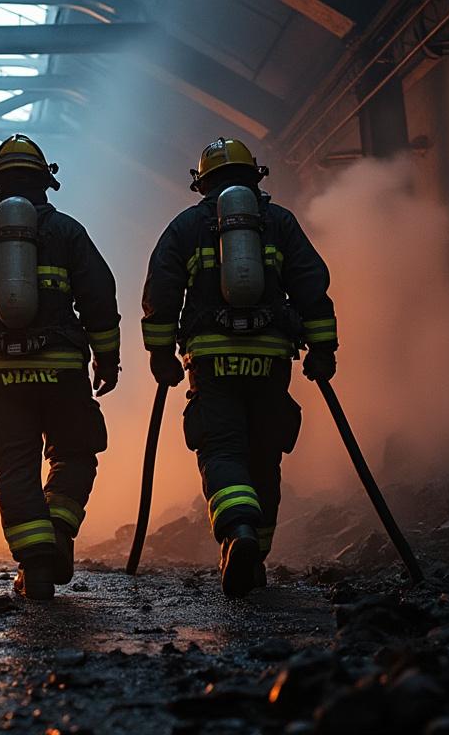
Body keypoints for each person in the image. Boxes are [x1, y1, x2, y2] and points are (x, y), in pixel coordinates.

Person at [141, 137, 338, 597]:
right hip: (270, 360)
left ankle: (239, 533)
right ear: (255, 176)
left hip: (211, 362)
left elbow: (161, 293)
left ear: (202, 183)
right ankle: (257, 556)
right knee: (265, 458)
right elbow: (311, 285)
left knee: (223, 450)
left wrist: (160, 354)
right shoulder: (280, 223)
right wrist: (323, 349)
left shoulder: (186, 226)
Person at [0, 134, 121, 600]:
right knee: (74, 453)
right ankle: (57, 528)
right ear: (45, 184)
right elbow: (100, 296)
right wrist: (108, 357)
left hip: (3, 374)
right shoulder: (68, 231)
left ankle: (35, 565)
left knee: (14, 464)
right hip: (63, 370)